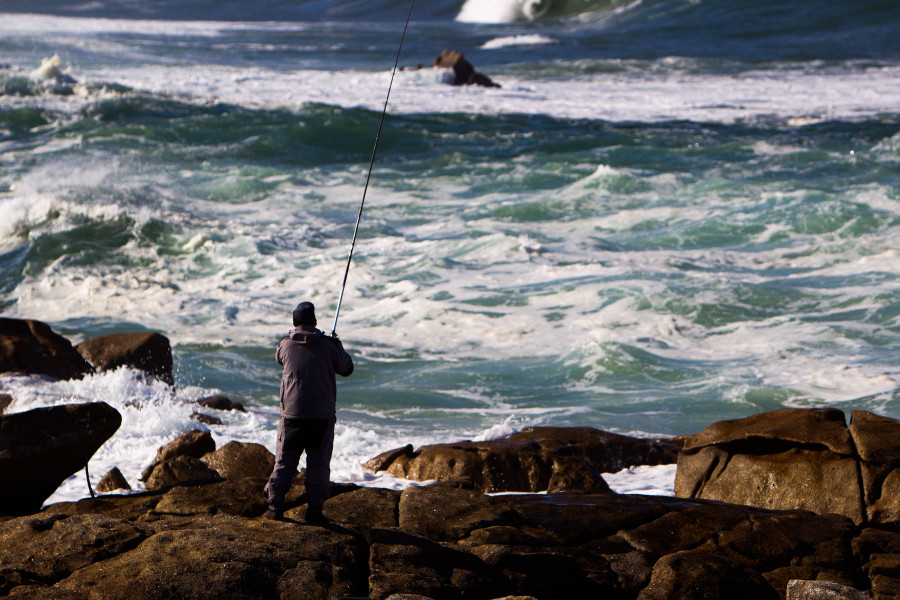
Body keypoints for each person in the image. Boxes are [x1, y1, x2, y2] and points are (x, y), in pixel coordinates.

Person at [263, 301, 354, 523]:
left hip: (292, 416)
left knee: (284, 461)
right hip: (321, 418)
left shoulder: (285, 345)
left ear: (294, 322)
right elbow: (347, 369)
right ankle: (314, 511)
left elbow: (279, 359)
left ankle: (275, 506)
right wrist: (336, 344)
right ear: (314, 321)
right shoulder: (329, 346)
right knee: (318, 464)